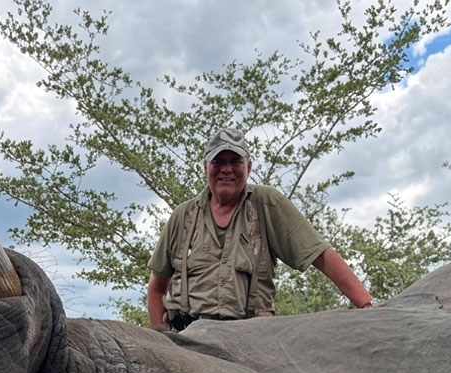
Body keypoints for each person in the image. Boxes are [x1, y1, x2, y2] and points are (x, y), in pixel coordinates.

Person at [147, 126, 377, 332]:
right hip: (186, 338)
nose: (226, 169)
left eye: (235, 162)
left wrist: (367, 305)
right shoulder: (183, 215)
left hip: (249, 340)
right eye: (218, 162)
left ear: (248, 166)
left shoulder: (266, 203)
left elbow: (319, 254)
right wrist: (161, 339)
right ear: (206, 166)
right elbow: (157, 289)